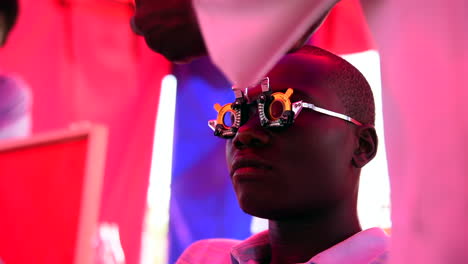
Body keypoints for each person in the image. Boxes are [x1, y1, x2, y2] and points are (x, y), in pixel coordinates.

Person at [175, 45, 389, 264]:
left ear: (362, 146)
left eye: (278, 109)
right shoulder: (204, 258)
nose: (244, 134)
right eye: (236, 116)